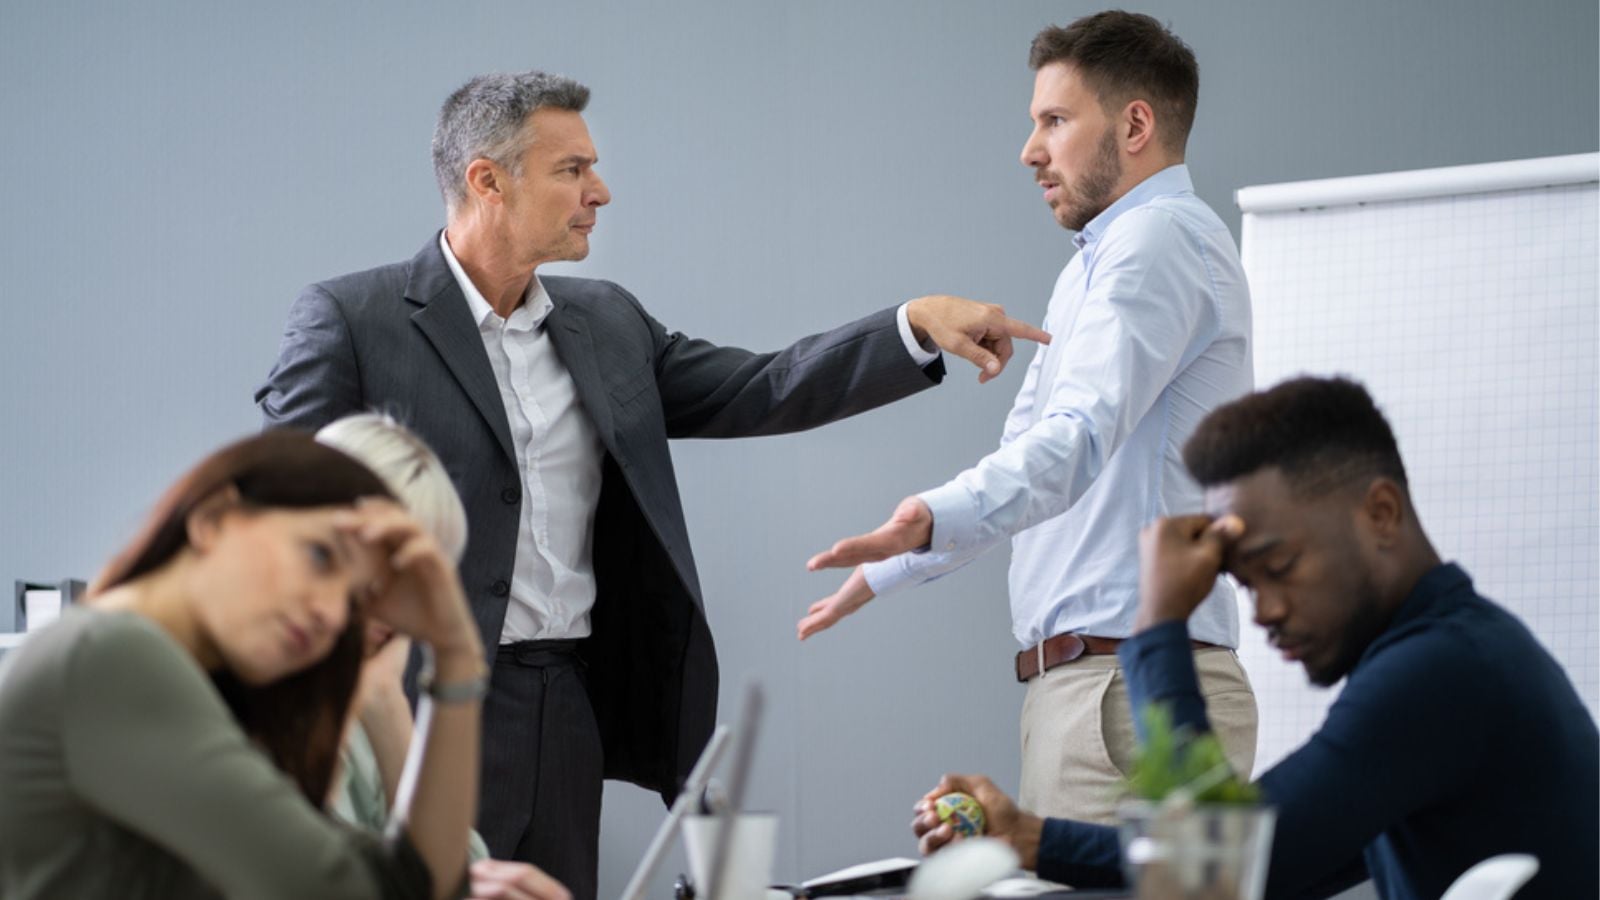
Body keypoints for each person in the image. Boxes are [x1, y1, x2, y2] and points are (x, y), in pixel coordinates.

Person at [256, 70, 1045, 897]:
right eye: (572, 170)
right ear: (487, 180)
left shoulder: (609, 322)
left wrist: (908, 328)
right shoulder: (353, 320)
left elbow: (760, 385)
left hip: (567, 711)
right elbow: (279, 514)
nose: (600, 191)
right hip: (415, 713)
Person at [800, 10, 1257, 825]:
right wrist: (895, 562)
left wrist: (924, 521)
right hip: (1098, 694)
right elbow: (1030, 459)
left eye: (1054, 120)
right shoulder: (1097, 266)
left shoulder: (1156, 241)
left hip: (1126, 694)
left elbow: (1073, 442)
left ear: (1136, 124)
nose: (1030, 151)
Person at [912, 377, 1600, 899]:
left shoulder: (1439, 673)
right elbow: (1266, 861)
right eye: (1245, 583)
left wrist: (1155, 628)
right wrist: (1029, 837)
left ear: (1381, 513)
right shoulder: (1457, 654)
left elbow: (1217, 870)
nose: (1264, 610)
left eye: (1279, 567)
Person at [0, 431, 487, 899]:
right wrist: (455, 653)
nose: (333, 615)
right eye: (320, 556)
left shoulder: (200, 691)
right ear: (213, 518)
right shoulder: (111, 658)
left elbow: (419, 883)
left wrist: (455, 655)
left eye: (356, 600)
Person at [317, 413, 570, 900]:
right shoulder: (249, 707)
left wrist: (386, 699)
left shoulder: (360, 706)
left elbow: (454, 871)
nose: (398, 606)